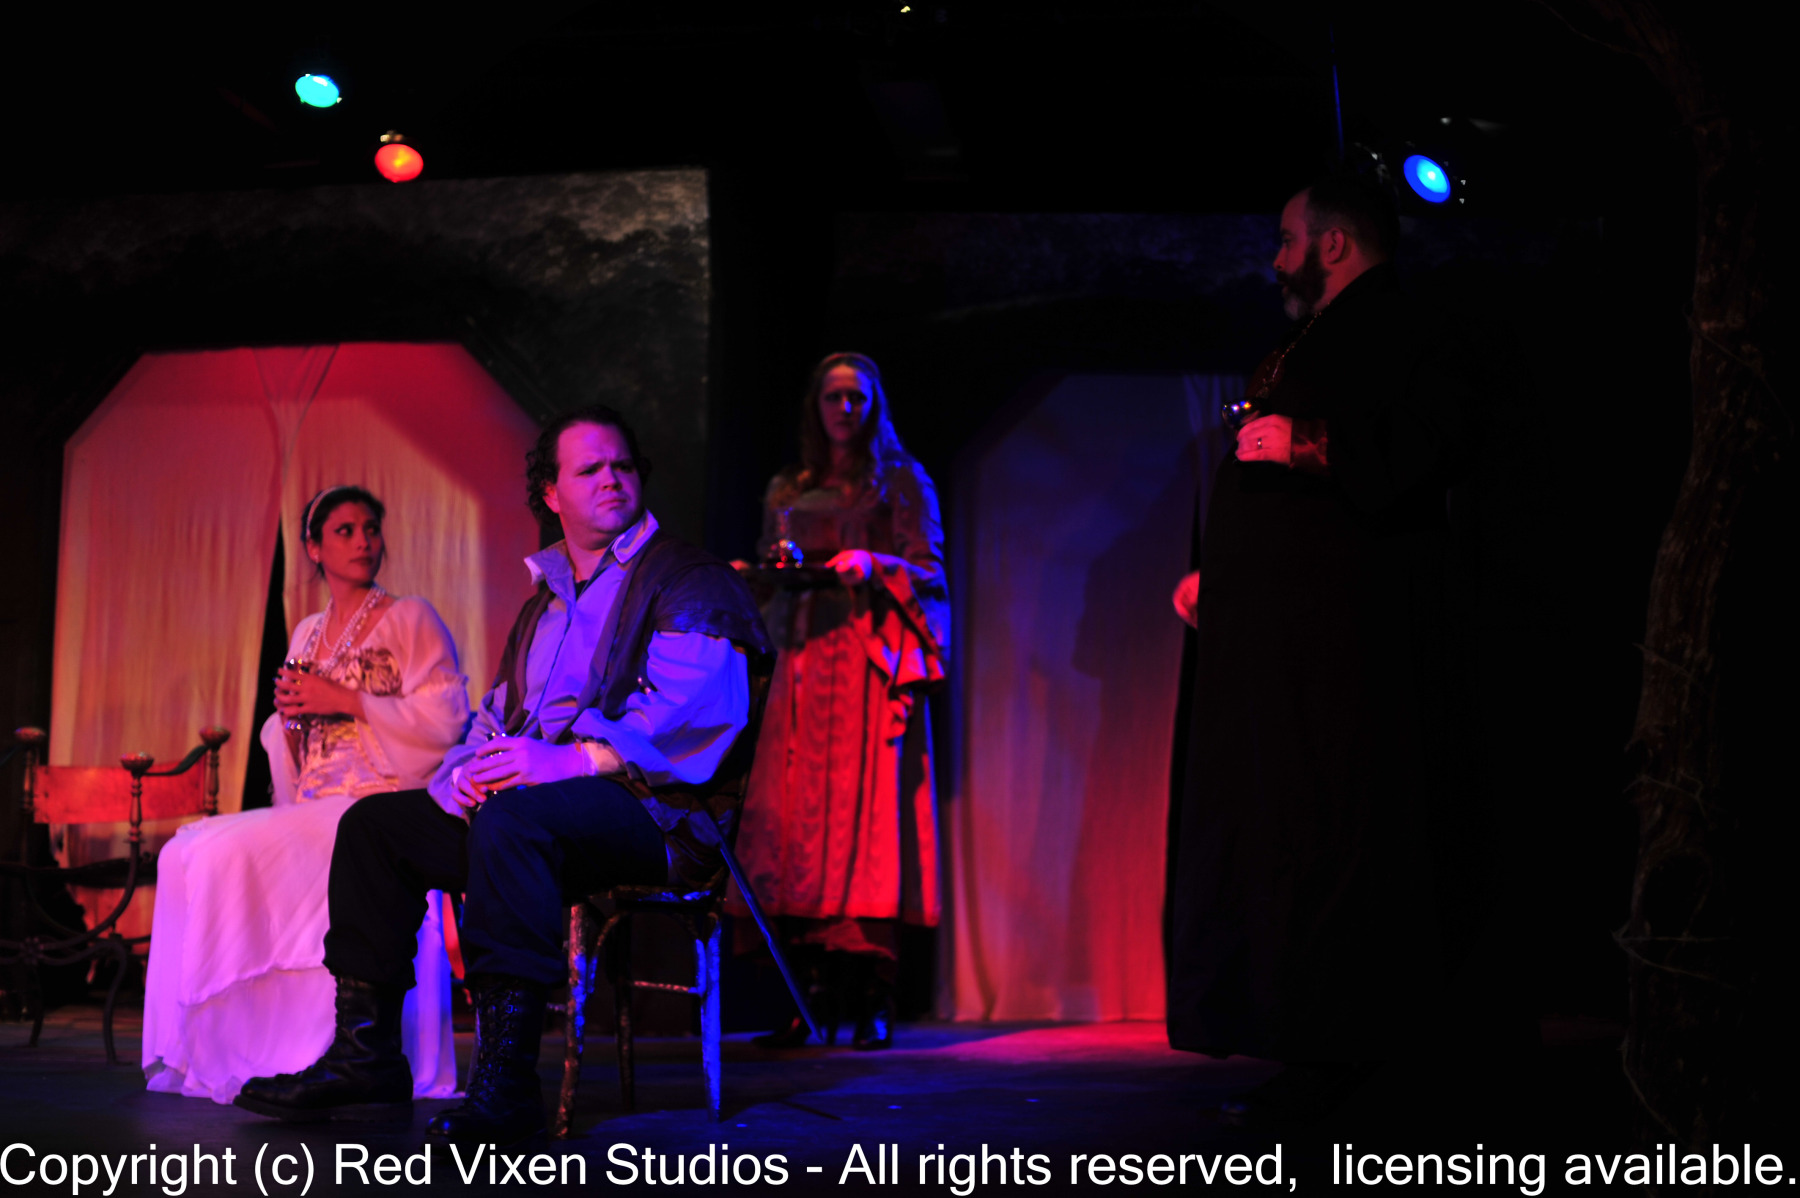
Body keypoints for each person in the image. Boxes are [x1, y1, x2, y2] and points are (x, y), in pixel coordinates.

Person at [233, 406, 772, 1145]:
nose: (611, 479)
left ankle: (507, 1082)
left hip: (658, 814)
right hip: (546, 817)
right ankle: (366, 1058)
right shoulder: (544, 603)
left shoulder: (686, 579)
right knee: (377, 828)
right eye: (590, 469)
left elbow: (694, 714)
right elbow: (494, 717)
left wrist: (573, 759)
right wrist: (464, 773)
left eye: (622, 466)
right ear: (551, 492)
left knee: (514, 823)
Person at [1166, 176, 1475, 1122]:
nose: (1277, 259)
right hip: (1284, 639)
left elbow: (1426, 453)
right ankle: (1308, 1042)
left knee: (1335, 835)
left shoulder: (1403, 329)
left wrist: (1307, 444)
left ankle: (1348, 1053)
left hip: (1346, 650)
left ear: (1333, 244)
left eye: (1287, 239)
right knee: (1281, 828)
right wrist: (1221, 575)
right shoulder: (1322, 338)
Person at [142, 485, 471, 1105]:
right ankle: (235, 1047)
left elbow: (445, 720)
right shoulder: (307, 633)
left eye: (370, 528)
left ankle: (318, 1051)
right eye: (345, 531)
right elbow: (296, 746)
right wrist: (292, 721)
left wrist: (344, 699)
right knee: (181, 852)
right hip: (316, 800)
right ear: (314, 549)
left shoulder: (410, 617)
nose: (363, 541)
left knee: (218, 853)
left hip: (376, 804)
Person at [731, 352, 948, 1050]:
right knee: (795, 827)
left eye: (856, 397)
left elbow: (932, 575)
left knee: (865, 825)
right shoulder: (790, 486)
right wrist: (752, 576)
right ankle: (807, 998)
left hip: (865, 667)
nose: (845, 409)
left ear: (874, 405)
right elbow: (778, 564)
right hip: (800, 665)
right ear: (815, 406)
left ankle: (872, 997)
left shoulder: (902, 482)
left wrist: (877, 563)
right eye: (833, 397)